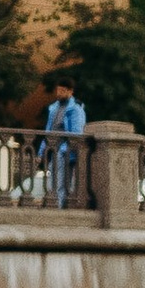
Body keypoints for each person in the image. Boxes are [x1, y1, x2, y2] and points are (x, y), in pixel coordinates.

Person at [36, 77, 87, 208]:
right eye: (58, 90)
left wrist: (65, 149)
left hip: (65, 150)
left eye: (63, 91)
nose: (59, 93)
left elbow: (76, 132)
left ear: (70, 92)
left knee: (60, 183)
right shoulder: (54, 108)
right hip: (54, 149)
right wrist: (41, 153)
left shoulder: (75, 109)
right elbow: (48, 131)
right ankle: (55, 206)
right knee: (54, 181)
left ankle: (57, 208)